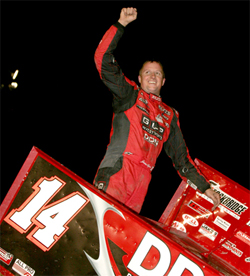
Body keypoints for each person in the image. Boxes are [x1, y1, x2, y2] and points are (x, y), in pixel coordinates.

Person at [93, 7, 220, 214]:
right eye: (148, 73)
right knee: (94, 225)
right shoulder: (129, 94)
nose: (152, 77)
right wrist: (121, 24)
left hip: (143, 180)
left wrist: (205, 187)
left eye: (157, 74)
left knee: (118, 239)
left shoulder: (170, 115)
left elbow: (181, 159)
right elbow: (102, 59)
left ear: (163, 81)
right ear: (140, 78)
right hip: (119, 169)